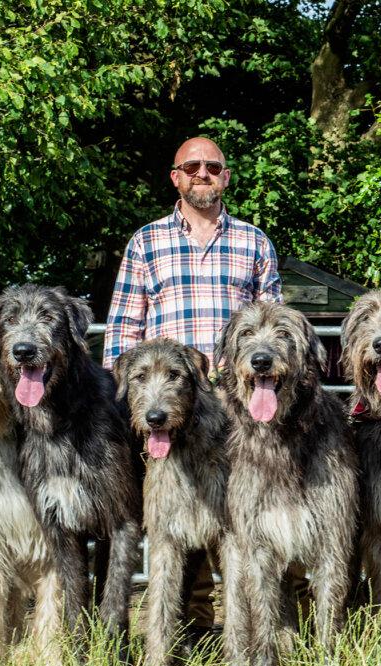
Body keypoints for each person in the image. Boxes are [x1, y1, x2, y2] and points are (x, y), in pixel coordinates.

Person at [102, 136, 283, 639]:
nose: (203, 173)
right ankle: (195, 632)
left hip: (236, 406)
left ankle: (249, 633)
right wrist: (135, 399)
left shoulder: (254, 242)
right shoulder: (146, 242)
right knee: (176, 522)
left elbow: (272, 325)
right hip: (162, 402)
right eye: (192, 166)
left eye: (213, 166)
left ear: (225, 177)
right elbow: (121, 332)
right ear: (176, 177)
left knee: (238, 520)